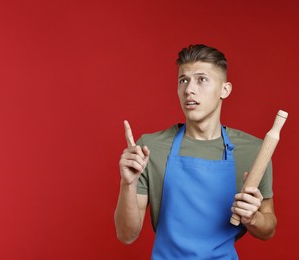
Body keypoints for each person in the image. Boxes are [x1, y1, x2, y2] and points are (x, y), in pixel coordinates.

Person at [114, 44, 277, 259]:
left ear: (224, 90)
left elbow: (269, 228)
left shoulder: (254, 151)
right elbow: (127, 235)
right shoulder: (149, 148)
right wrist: (128, 184)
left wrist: (253, 218)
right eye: (183, 80)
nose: (189, 89)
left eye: (201, 79)